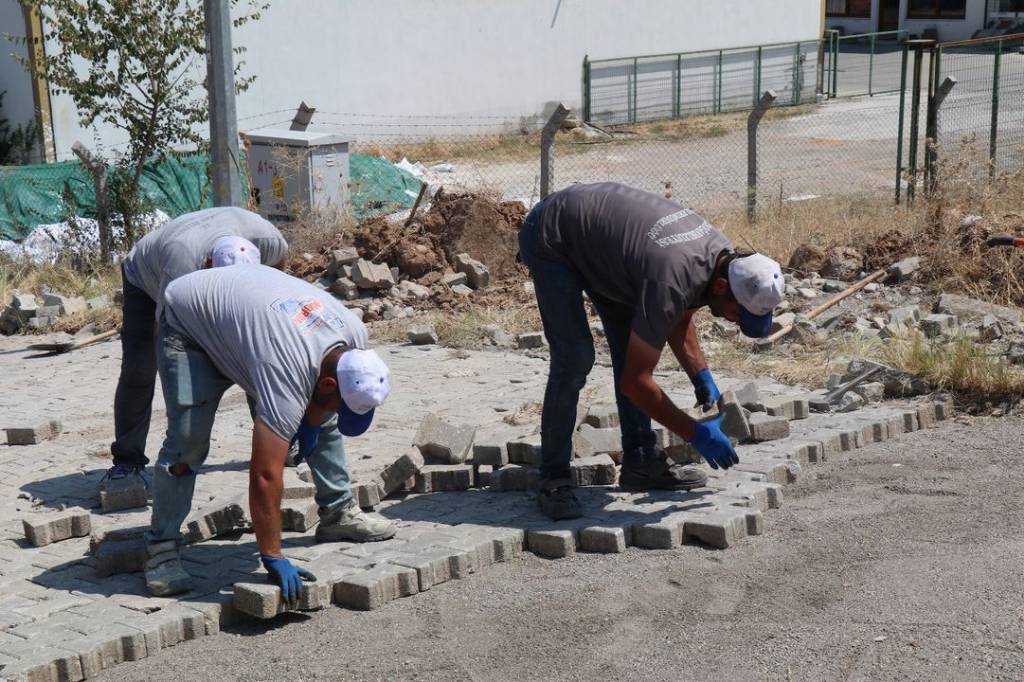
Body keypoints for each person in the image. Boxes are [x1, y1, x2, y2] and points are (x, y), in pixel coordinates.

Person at [518, 182, 786, 520]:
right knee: (575, 358)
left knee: (628, 345)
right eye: (738, 313)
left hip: (608, 253)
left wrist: (701, 376)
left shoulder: (720, 257)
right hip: (553, 235)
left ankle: (641, 461)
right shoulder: (674, 274)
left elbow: (679, 311)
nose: (736, 322)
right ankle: (553, 476)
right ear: (722, 286)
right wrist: (694, 432)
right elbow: (636, 382)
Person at [144, 264, 396, 601]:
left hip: (251, 325)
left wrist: (312, 421)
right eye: (339, 401)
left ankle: (337, 513)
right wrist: (273, 554)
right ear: (327, 382)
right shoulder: (286, 371)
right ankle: (161, 549)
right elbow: (264, 473)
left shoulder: (354, 338)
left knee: (324, 419)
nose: (339, 410)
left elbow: (321, 400)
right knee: (187, 440)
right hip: (189, 323)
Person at [104, 207, 289, 494]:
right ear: (207, 264)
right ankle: (127, 461)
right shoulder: (182, 266)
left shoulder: (269, 240)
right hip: (144, 278)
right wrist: (185, 424)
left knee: (260, 352)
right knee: (139, 368)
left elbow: (280, 286)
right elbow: (169, 341)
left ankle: (281, 441)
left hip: (203, 240)